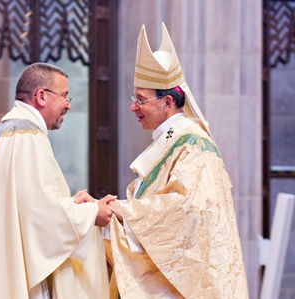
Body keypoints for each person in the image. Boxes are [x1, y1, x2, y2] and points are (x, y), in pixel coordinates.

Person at [106, 23, 249, 298]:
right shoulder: (171, 141)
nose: (133, 107)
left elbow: (188, 211)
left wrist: (121, 211)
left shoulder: (194, 145)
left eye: (141, 100)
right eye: (133, 98)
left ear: (167, 102)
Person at [0, 62, 116, 299]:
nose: (68, 104)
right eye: (64, 96)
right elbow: (40, 215)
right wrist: (91, 213)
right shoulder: (27, 137)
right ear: (42, 96)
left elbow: (22, 207)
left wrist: (69, 206)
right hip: (20, 279)